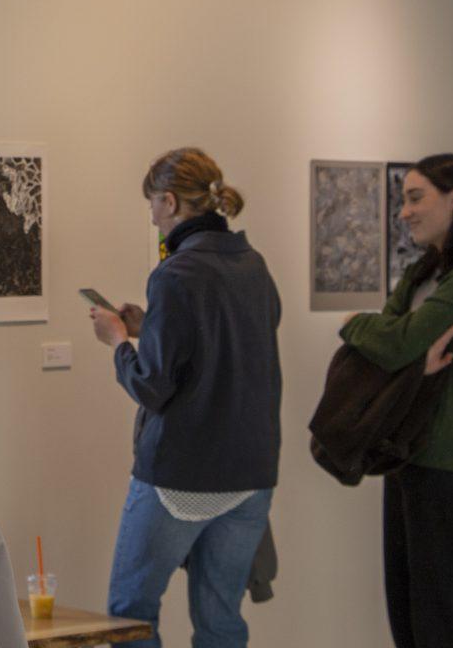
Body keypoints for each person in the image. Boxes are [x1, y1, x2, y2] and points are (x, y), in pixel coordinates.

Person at [89, 148, 282, 648]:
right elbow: (225, 348)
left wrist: (117, 342)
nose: (151, 215)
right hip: (250, 476)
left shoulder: (175, 273)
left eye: (152, 203)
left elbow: (152, 386)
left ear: (170, 202)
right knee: (220, 619)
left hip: (181, 476)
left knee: (130, 615)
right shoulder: (252, 264)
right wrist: (148, 324)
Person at [340, 153, 453, 648]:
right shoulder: (422, 273)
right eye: (403, 201)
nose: (404, 212)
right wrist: (402, 347)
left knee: (450, 619)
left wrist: (354, 324)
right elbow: (396, 344)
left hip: (451, 460)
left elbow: (396, 341)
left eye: (416, 198)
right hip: (404, 452)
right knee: (409, 617)